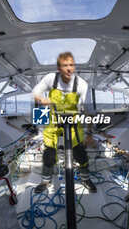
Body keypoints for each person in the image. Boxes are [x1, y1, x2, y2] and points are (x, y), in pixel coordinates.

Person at [32, 52, 97, 193]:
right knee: (49, 152)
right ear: (58, 67)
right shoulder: (50, 79)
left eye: (71, 65)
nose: (69, 69)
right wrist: (42, 99)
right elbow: (36, 92)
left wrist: (90, 134)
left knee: (80, 152)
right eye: (65, 65)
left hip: (73, 121)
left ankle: (85, 178)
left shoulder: (81, 84)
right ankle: (46, 180)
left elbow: (89, 110)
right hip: (53, 120)